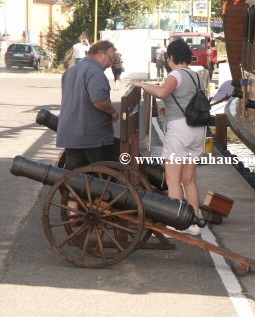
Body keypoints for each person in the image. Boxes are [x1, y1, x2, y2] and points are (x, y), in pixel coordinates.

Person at [128, 39, 205, 236]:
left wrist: (142, 84)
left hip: (179, 131)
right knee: (190, 180)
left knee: (173, 179)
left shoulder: (175, 74)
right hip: (197, 129)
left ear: (171, 57)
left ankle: (177, 221)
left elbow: (162, 92)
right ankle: (194, 222)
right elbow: (188, 100)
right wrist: (167, 108)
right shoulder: (197, 76)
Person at [57, 40, 119, 171]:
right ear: (101, 54)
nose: (110, 64)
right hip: (92, 136)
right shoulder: (95, 72)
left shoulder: (70, 72)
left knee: (77, 180)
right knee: (104, 178)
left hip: (70, 136)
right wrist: (113, 112)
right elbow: (99, 100)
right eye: (111, 59)